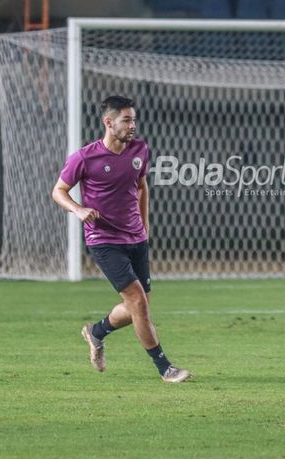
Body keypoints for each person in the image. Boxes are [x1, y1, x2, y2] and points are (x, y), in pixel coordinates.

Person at [51, 95, 191, 383]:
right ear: (108, 122)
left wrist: (145, 223)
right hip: (103, 240)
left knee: (136, 308)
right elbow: (59, 191)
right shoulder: (84, 157)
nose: (132, 125)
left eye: (134, 119)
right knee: (138, 303)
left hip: (135, 238)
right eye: (126, 120)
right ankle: (165, 368)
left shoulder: (140, 149)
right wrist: (78, 210)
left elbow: (141, 186)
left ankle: (96, 332)